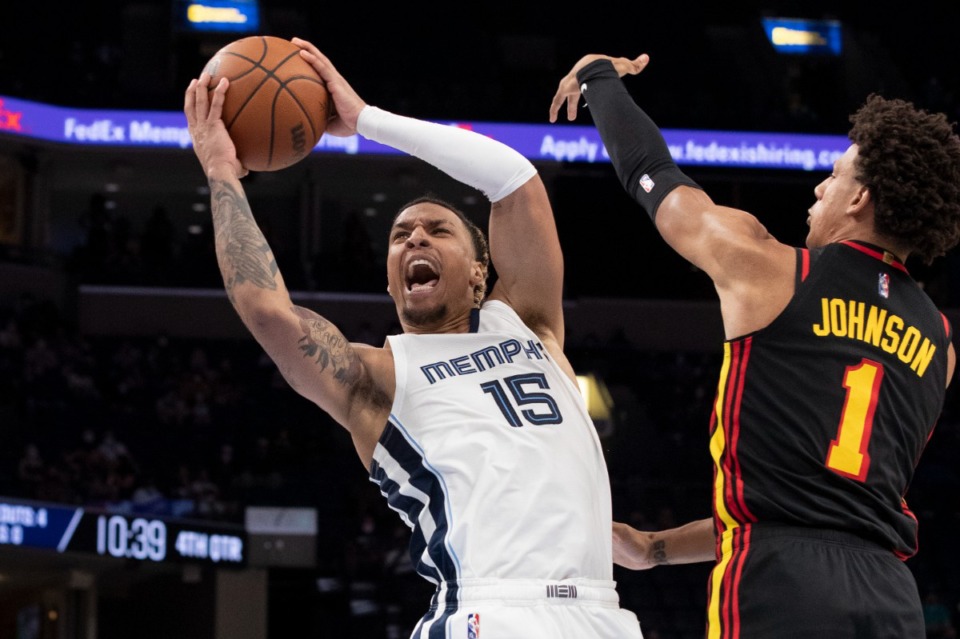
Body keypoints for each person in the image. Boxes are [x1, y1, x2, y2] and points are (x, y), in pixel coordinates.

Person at [185, 37, 642, 638]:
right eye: (400, 235)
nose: (414, 239)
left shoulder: (529, 320)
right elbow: (266, 310)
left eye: (437, 230)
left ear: (482, 270)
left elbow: (513, 179)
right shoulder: (377, 377)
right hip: (489, 612)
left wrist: (368, 120)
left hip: (602, 613)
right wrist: (221, 170)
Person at [550, 53, 960, 637]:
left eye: (835, 175)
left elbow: (651, 173)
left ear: (859, 200)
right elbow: (826, 509)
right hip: (891, 597)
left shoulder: (768, 267)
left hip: (780, 582)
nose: (819, 187)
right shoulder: (940, 345)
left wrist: (597, 78)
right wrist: (655, 548)